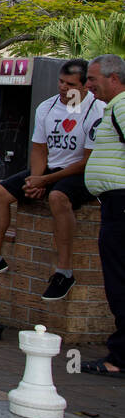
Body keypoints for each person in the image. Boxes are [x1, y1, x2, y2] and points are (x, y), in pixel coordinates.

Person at [0, 59, 103, 300]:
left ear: (85, 87)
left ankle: (64, 271)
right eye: (61, 82)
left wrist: (46, 181)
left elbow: (87, 161)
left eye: (70, 84)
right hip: (51, 168)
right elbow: (40, 149)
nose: (63, 87)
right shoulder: (47, 107)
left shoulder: (97, 111)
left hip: (81, 172)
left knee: (58, 197)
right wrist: (36, 179)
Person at [83, 55, 125, 377]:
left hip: (120, 205)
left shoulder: (122, 106)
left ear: (114, 79)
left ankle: (119, 358)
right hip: (115, 203)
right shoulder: (115, 107)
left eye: (93, 79)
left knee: (119, 281)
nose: (88, 86)